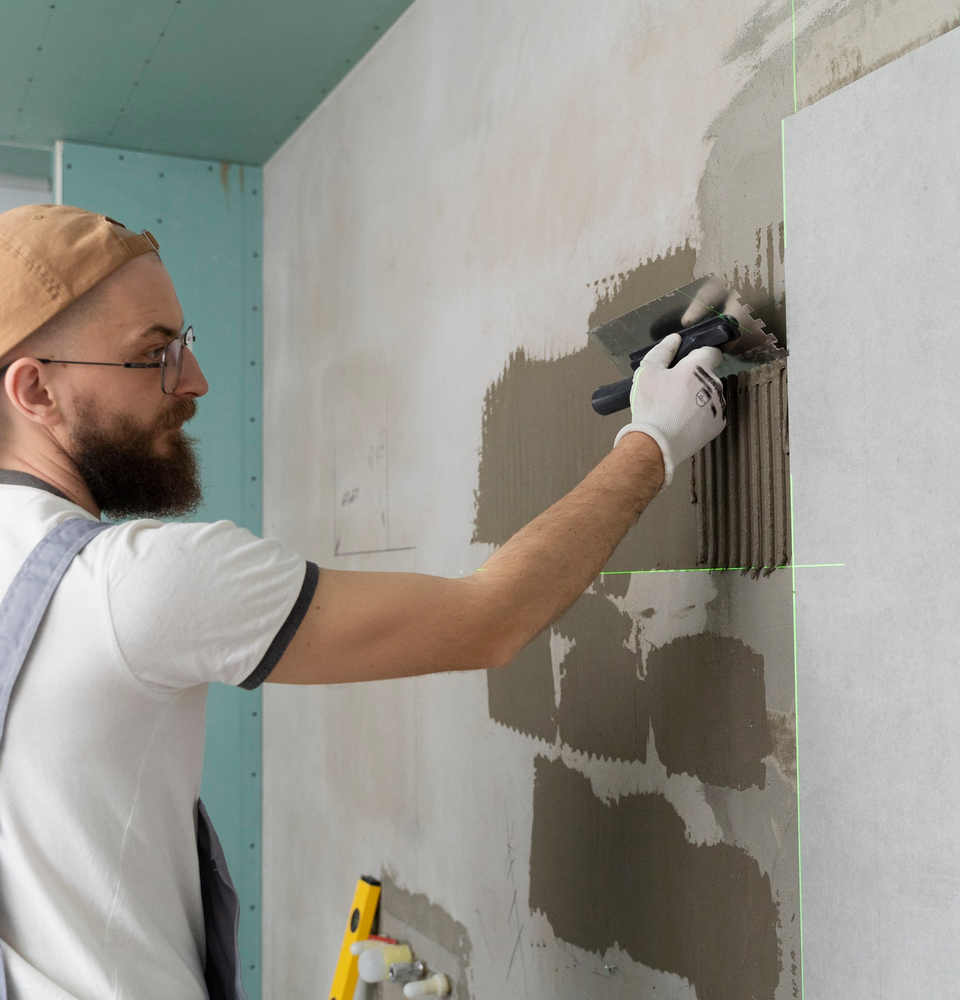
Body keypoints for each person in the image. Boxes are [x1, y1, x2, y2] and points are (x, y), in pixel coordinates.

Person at [0, 204, 725, 999]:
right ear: (35, 389)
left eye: (185, 344)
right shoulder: (126, 583)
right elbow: (491, 619)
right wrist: (653, 441)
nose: (196, 381)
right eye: (155, 355)